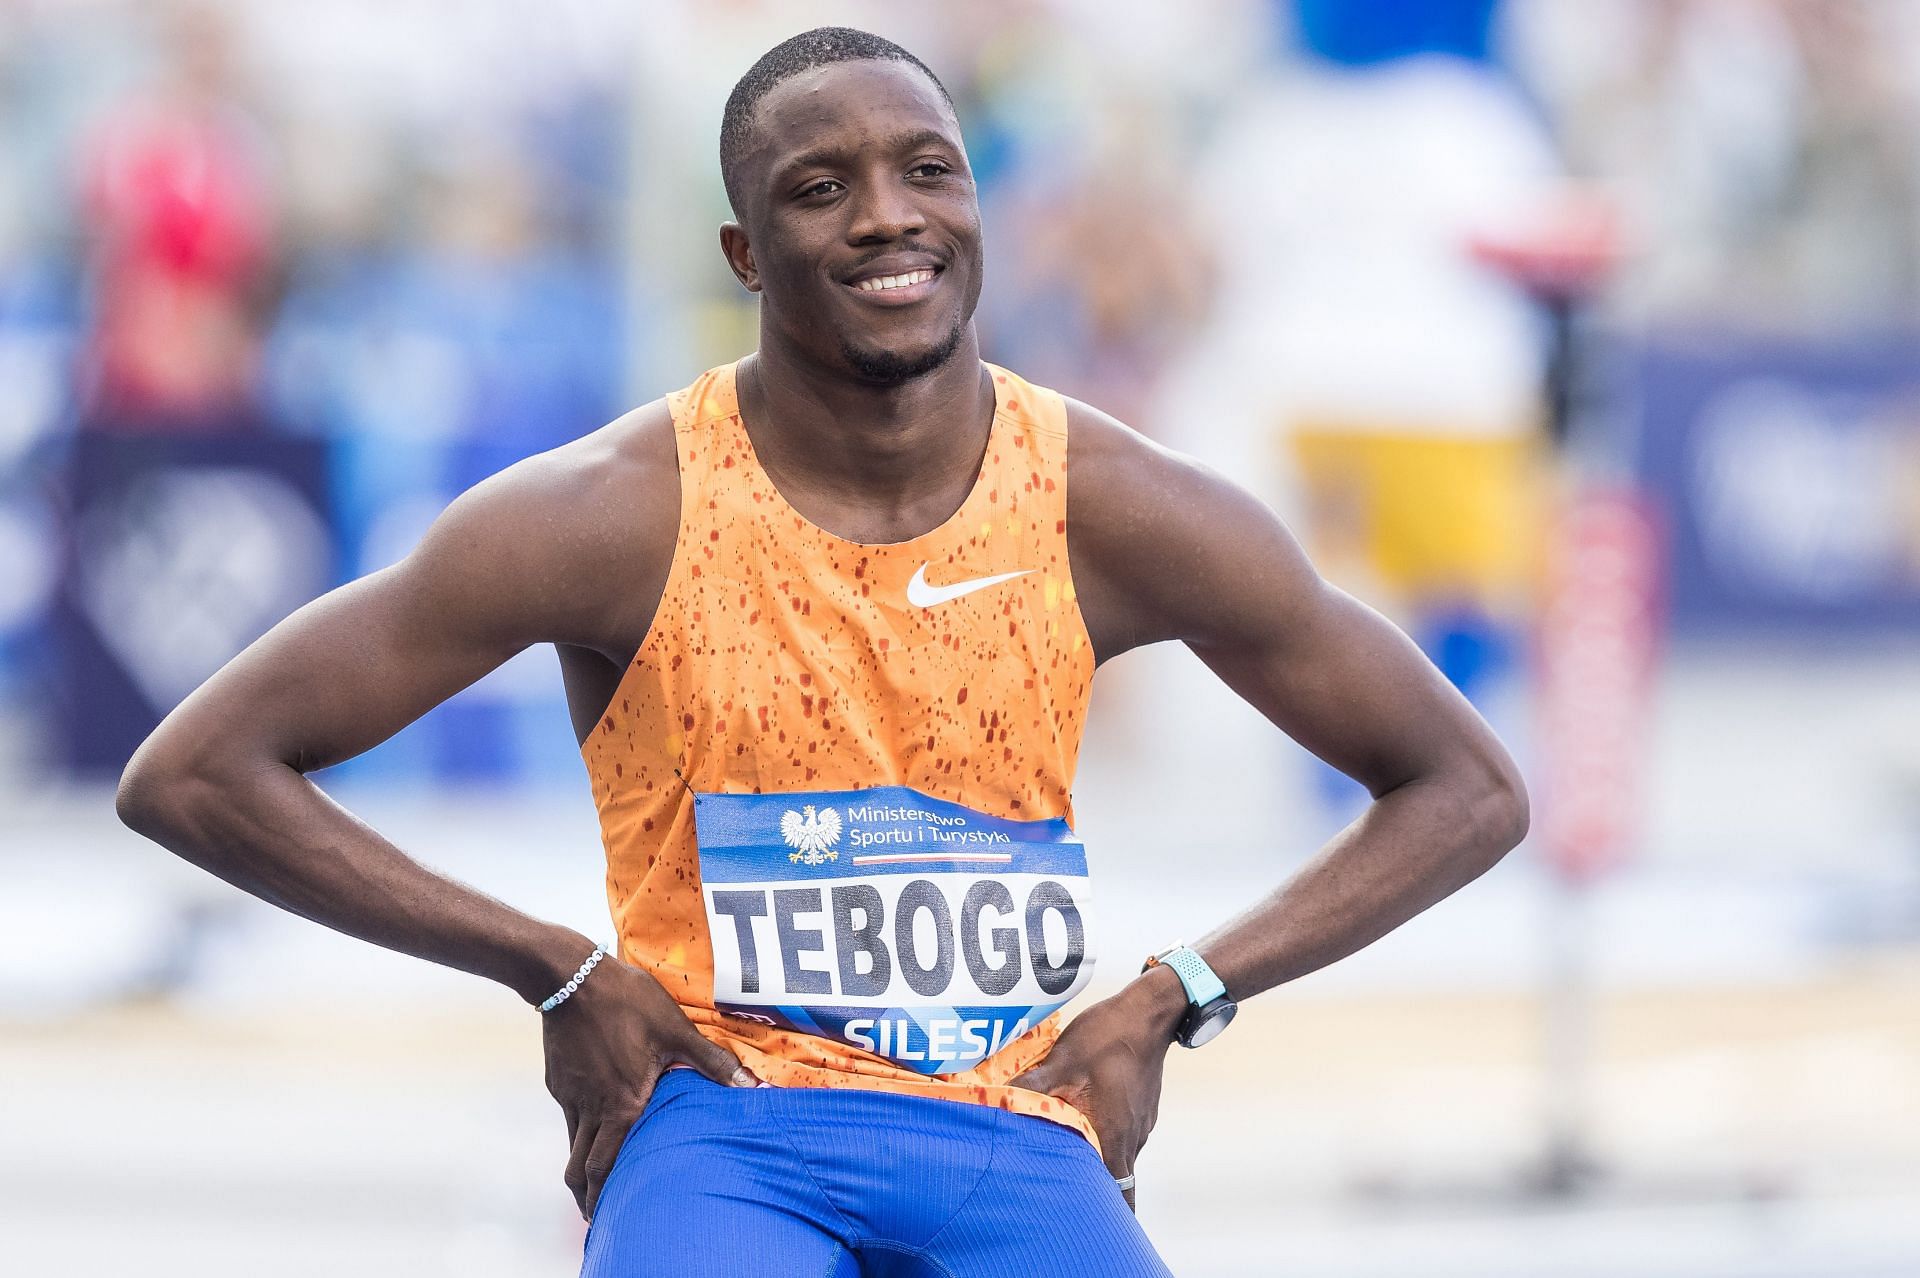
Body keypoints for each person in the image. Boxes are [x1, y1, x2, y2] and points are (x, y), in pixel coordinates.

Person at [115, 27, 1529, 1278]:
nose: (887, 219)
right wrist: (548, 966)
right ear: (743, 252)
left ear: (979, 207)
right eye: (820, 188)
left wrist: (1179, 994)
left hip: (1006, 1121)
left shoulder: (1106, 501)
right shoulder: (618, 510)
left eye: (929, 172)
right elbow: (196, 772)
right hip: (728, 1121)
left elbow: (1466, 785)